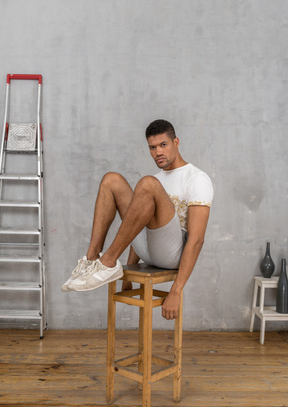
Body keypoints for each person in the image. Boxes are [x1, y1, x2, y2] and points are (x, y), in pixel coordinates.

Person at [61, 119, 213, 320]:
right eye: (152, 147)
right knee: (111, 180)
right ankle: (91, 260)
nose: (158, 152)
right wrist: (130, 268)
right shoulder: (156, 179)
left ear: (176, 142)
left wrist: (176, 292)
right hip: (149, 249)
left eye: (163, 145)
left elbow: (196, 240)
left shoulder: (196, 178)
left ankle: (107, 262)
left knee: (148, 184)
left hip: (172, 255)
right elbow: (137, 223)